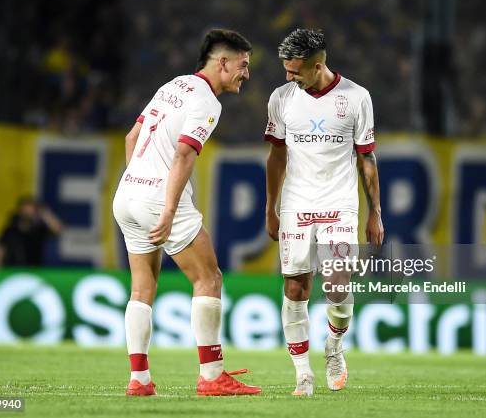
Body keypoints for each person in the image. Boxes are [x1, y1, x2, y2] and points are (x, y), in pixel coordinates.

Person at [113, 29, 261, 397]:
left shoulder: (173, 85)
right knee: (208, 278)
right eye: (243, 66)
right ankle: (212, 376)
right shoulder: (208, 102)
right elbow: (182, 154)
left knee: (141, 288)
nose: (247, 74)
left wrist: (140, 180)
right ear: (222, 62)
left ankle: (139, 380)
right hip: (158, 198)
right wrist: (166, 208)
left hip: (126, 194)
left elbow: (132, 138)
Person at [264, 29, 384, 396]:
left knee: (336, 286)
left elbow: (367, 159)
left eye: (295, 71)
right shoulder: (281, 98)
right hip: (297, 203)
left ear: (318, 66)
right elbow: (277, 156)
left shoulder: (357, 97)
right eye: (285, 70)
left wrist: (375, 212)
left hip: (339, 203)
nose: (289, 77)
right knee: (295, 287)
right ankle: (303, 374)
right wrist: (271, 207)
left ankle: (334, 347)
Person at [0, 196, 63, 268]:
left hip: (33, 273)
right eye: (25, 209)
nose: (28, 212)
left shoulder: (39, 230)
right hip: (12, 273)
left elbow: (58, 230)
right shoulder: (10, 231)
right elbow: (0, 252)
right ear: (20, 211)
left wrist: (44, 213)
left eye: (31, 210)